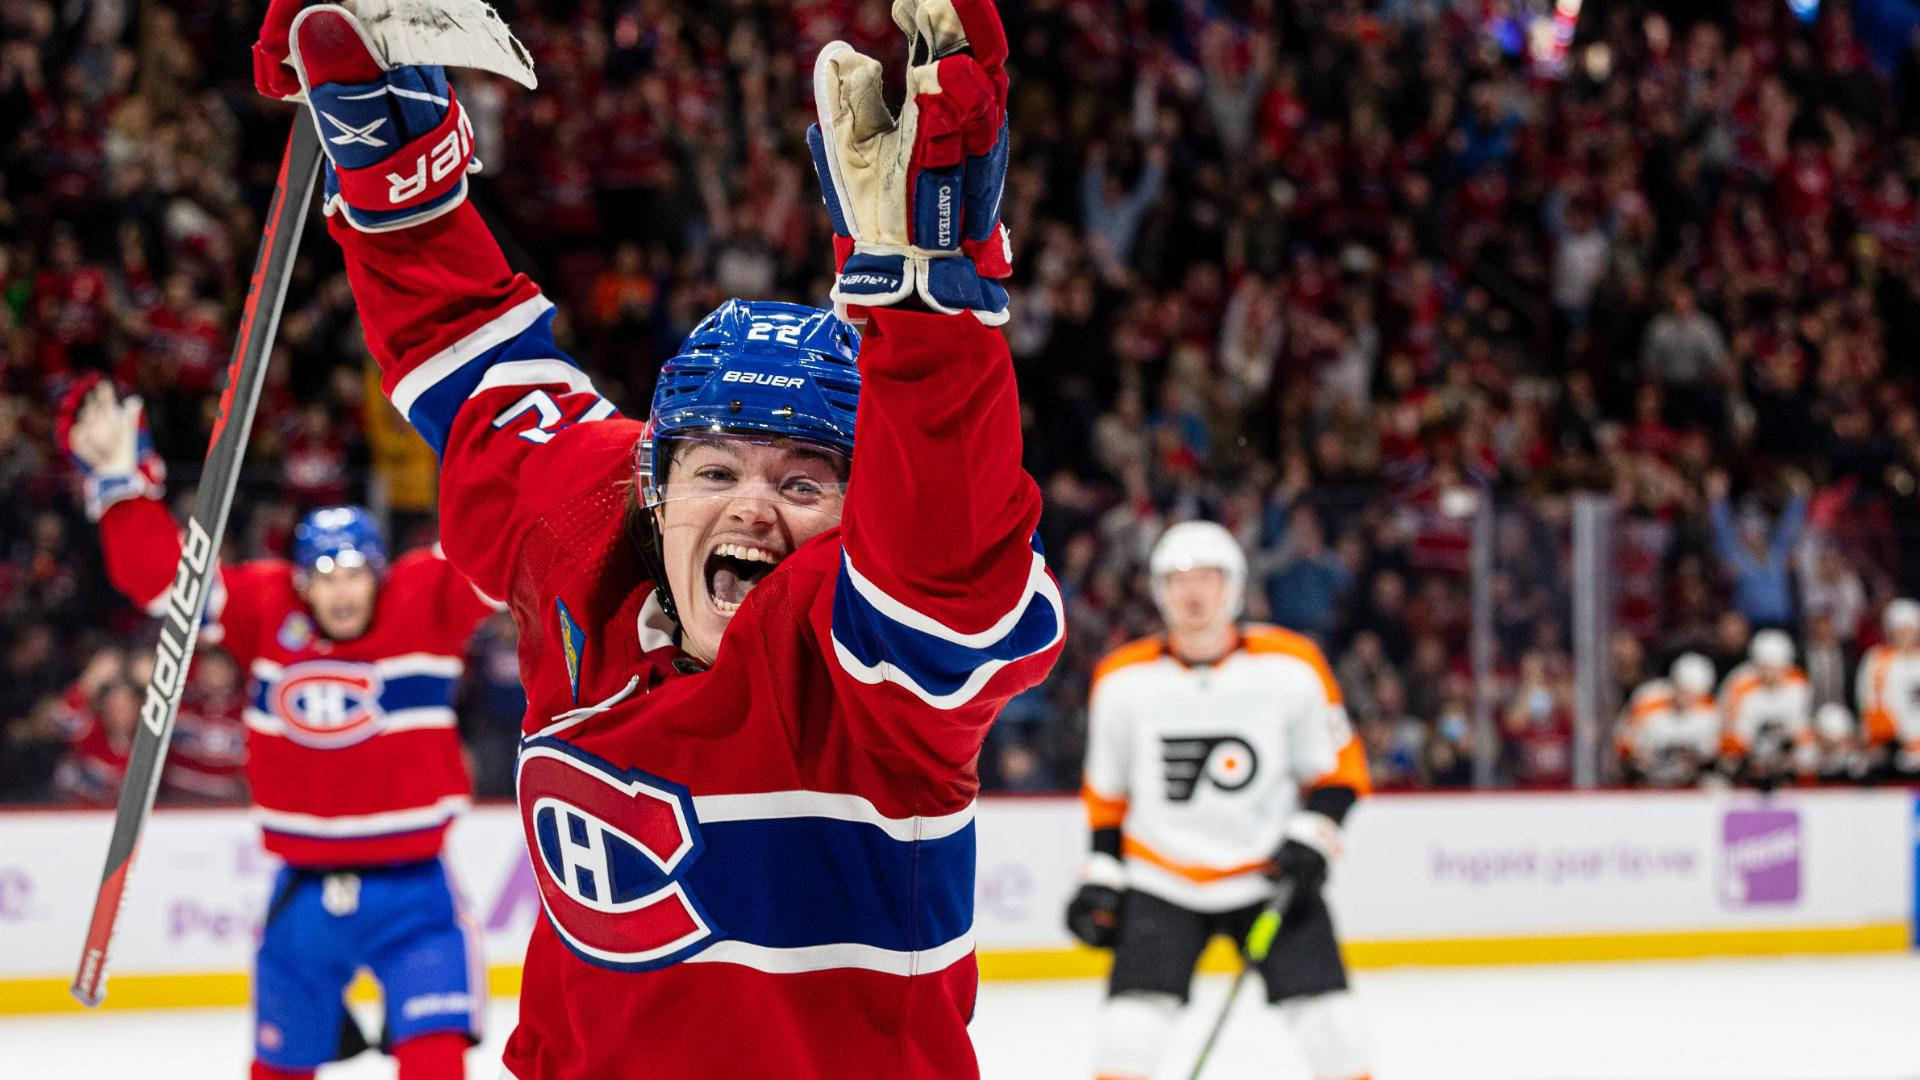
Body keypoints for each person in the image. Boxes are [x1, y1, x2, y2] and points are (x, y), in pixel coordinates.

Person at [253, 1, 1056, 1076]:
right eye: (716, 472)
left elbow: (946, 563)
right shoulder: (587, 528)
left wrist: (932, 319)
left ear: (865, 506)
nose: (752, 509)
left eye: (804, 481)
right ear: (656, 485)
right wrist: (388, 159)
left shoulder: (872, 675)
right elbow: (469, 358)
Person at [59, 378, 497, 1080]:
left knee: (436, 1063)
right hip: (303, 893)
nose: (343, 590)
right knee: (276, 1069)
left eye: (356, 573)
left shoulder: (426, 597)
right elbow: (161, 585)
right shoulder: (265, 607)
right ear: (301, 582)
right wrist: (120, 487)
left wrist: (506, 439)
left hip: (415, 894)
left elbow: (508, 547)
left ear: (379, 573)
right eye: (325, 575)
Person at [1066, 521, 1371, 1080]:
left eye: (1208, 577)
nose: (1193, 592)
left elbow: (1340, 772)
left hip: (1269, 876)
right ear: (1159, 591)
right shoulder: (1121, 679)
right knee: (1127, 1038)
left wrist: (1312, 837)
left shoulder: (1292, 665)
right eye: (1178, 579)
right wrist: (1101, 873)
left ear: (1234, 587)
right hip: (1163, 878)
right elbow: (1107, 796)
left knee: (1335, 1031)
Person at [1717, 629, 1814, 787]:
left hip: (1784, 752)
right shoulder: (1740, 685)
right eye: (1765, 666)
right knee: (1728, 762)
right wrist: (1753, 757)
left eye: (1775, 666)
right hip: (1749, 755)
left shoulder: (1798, 685)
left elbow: (1802, 729)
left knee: (1809, 755)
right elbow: (1732, 732)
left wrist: (1788, 753)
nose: (1770, 672)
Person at [1618, 653, 1719, 787]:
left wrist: (1695, 761)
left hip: (1690, 782)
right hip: (1648, 780)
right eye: (1683, 690)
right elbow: (1624, 745)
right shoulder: (1648, 701)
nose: (1685, 698)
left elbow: (1712, 754)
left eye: (1692, 694)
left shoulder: (1709, 712)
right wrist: (1640, 756)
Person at [1856, 598, 1920, 778]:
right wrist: (1890, 737)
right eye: (1899, 630)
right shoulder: (1877, 659)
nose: (1904, 635)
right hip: (1891, 742)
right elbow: (1869, 702)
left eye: (1909, 629)